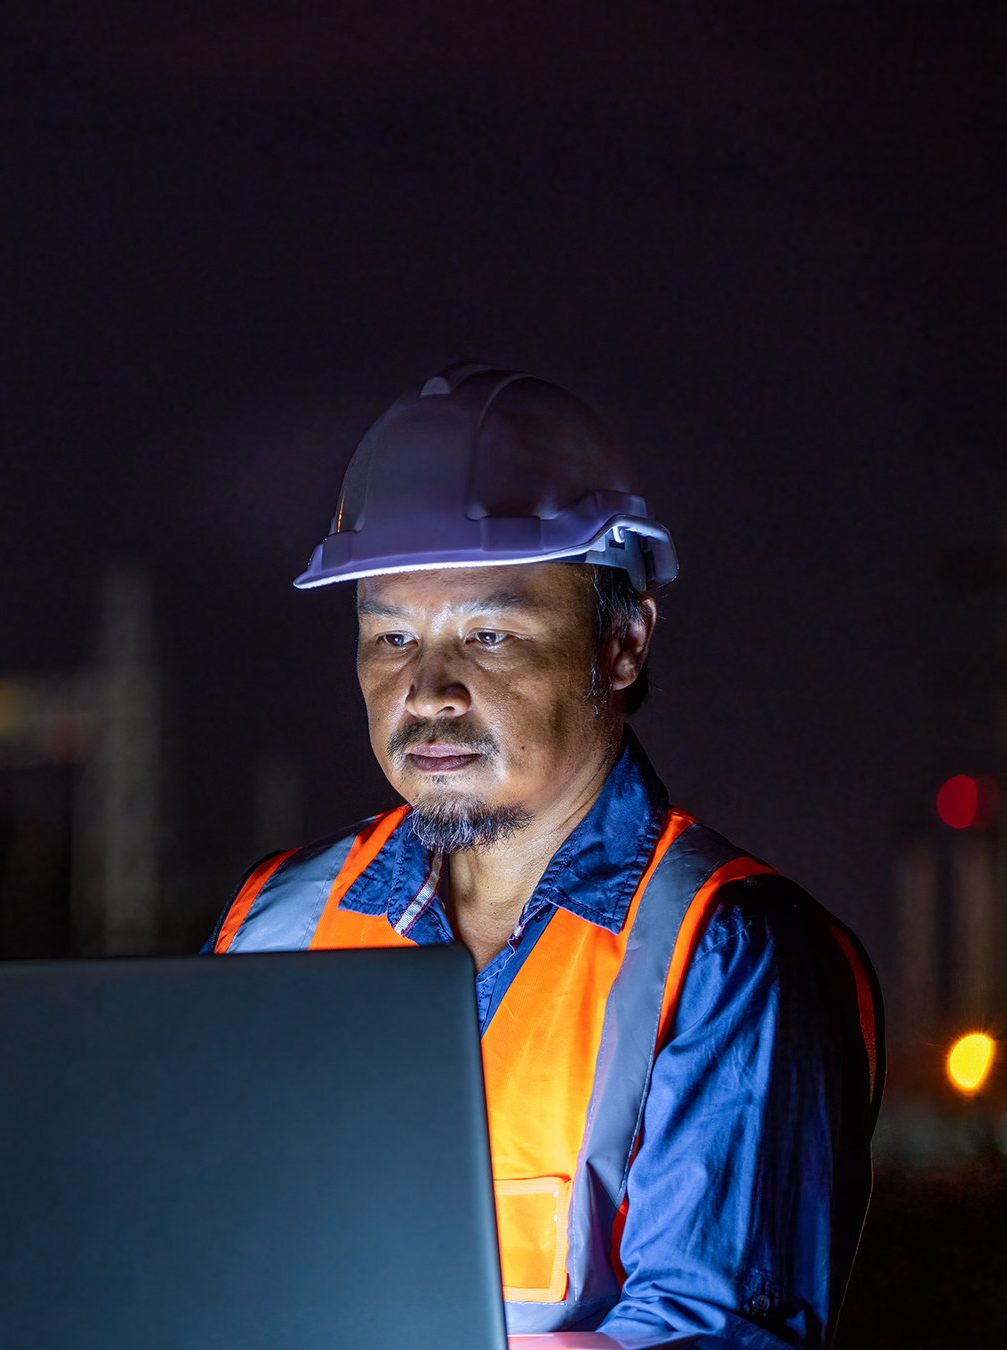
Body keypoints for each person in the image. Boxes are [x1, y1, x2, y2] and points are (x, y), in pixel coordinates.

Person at [209, 365, 883, 1348]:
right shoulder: (276, 921)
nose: (429, 689)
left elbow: (713, 1332)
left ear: (621, 645)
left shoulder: (725, 954)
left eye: (488, 633)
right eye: (391, 635)